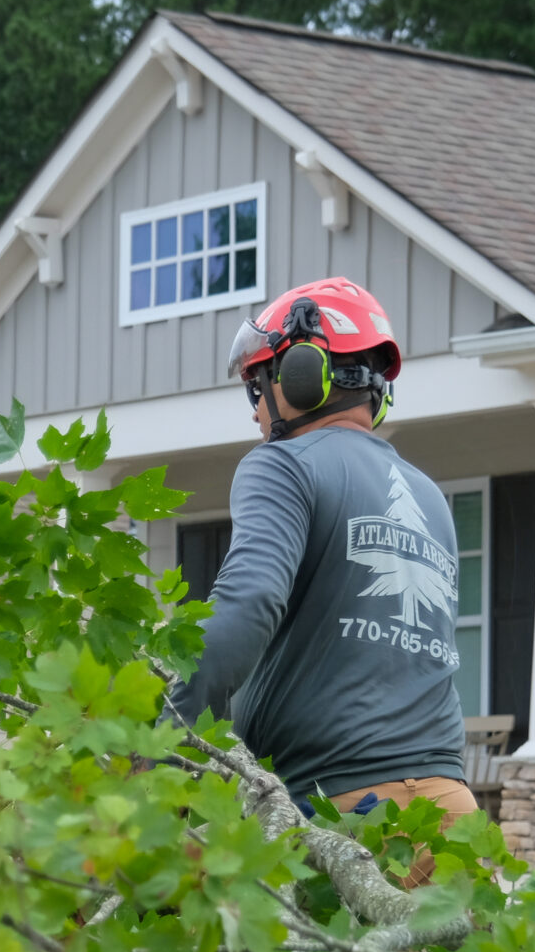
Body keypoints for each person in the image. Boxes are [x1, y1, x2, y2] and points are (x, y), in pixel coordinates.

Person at [176, 276, 472, 840]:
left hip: (345, 810)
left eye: (258, 385)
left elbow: (249, 600)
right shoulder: (429, 495)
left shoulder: (282, 464)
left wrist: (168, 724)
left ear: (301, 375)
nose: (255, 411)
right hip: (452, 809)